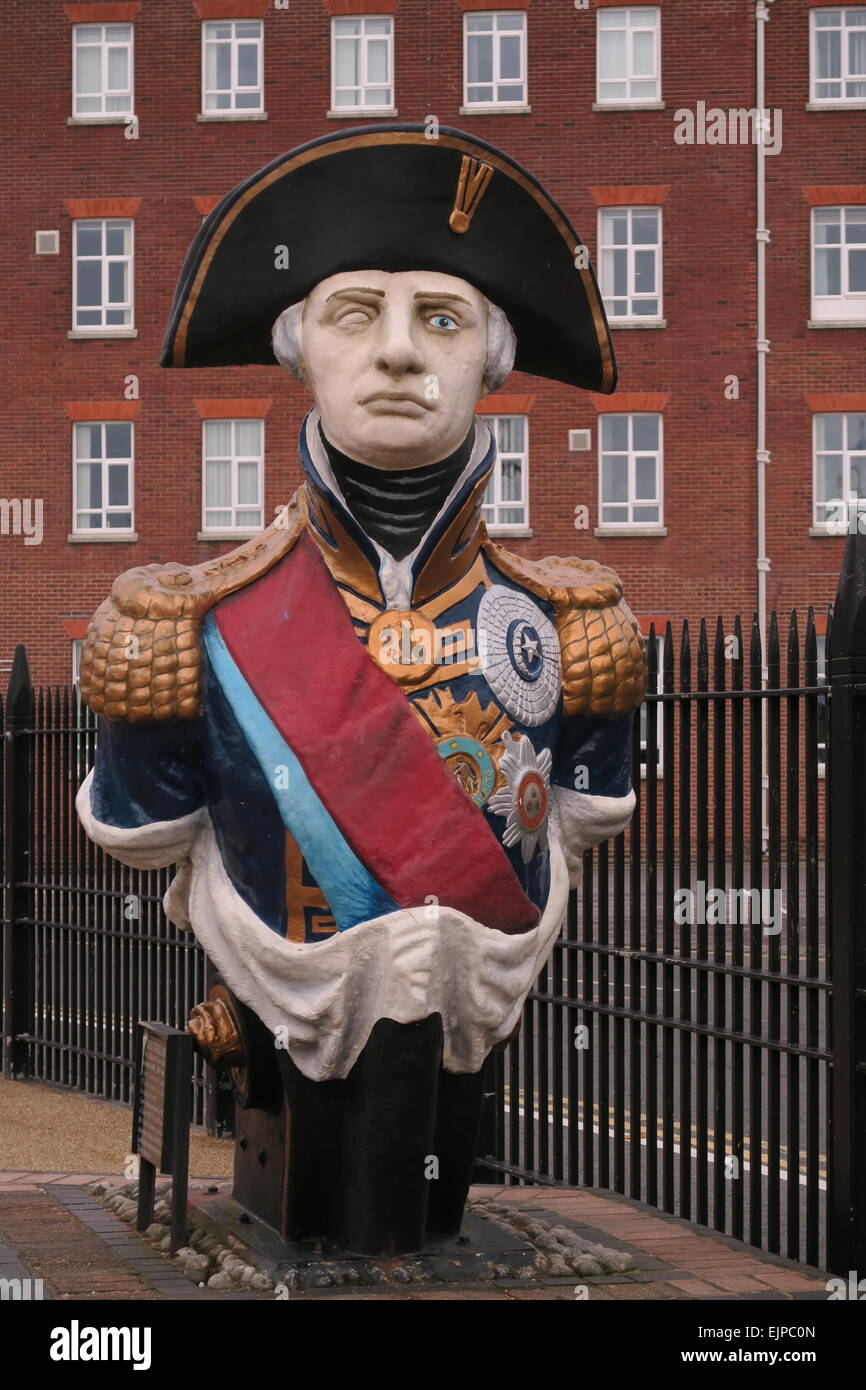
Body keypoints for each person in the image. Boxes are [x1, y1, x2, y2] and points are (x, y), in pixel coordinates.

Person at [77, 124, 645, 1254]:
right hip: (281, 1070)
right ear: (302, 353)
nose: (396, 354)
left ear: (489, 356)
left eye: (438, 317)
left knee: (436, 1196)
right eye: (355, 314)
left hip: (460, 1050)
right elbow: (147, 829)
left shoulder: (570, 626)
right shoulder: (192, 625)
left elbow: (580, 818)